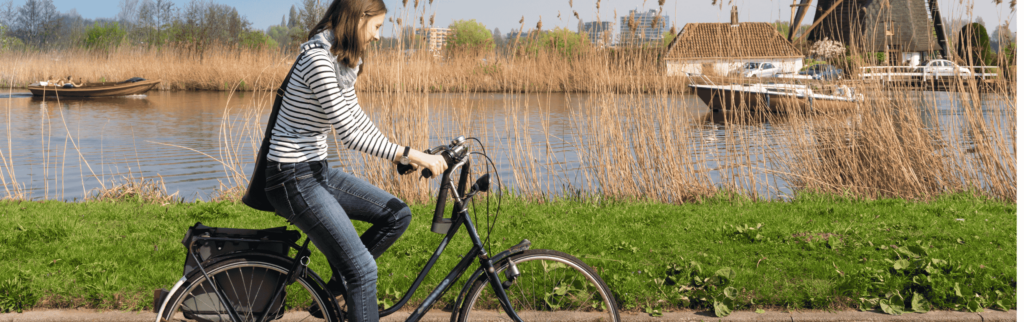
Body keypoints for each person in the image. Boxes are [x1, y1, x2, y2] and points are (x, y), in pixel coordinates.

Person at [248, 1, 447, 321]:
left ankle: (335, 292)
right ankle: (351, 285)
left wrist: (403, 153)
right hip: (291, 177)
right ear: (358, 18)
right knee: (363, 271)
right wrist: (413, 154)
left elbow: (355, 117)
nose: (378, 36)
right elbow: (350, 134)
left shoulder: (341, 59)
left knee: (397, 215)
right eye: (377, 26)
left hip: (315, 171)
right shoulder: (317, 60)